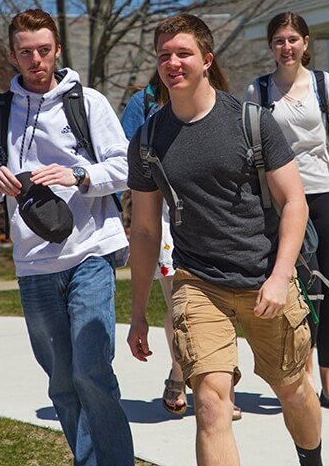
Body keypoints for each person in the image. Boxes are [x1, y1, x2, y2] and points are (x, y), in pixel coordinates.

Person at [126, 14, 323, 466]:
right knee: (212, 405)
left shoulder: (252, 122)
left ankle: (312, 459)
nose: (172, 63)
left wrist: (279, 277)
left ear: (206, 59)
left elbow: (295, 202)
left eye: (183, 53)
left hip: (263, 278)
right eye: (164, 56)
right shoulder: (148, 139)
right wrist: (138, 314)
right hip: (198, 283)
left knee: (293, 391)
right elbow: (143, 230)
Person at [0, 9, 134, 465]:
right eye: (26, 52)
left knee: (92, 371)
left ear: (57, 49)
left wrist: (78, 173)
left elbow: (124, 167)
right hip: (34, 263)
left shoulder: (89, 103)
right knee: (62, 381)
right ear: (14, 55)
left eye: (43, 50)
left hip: (90, 252)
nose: (35, 60)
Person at [247, 11, 329, 413]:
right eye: (278, 40)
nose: (286, 47)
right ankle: (301, 380)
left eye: (292, 39)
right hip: (284, 202)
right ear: (271, 47)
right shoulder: (259, 92)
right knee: (299, 288)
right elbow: (252, 155)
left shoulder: (325, 84)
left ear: (306, 43)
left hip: (325, 193)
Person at [120, 72, 243, 420]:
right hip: (160, 219)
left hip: (207, 215)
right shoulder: (142, 104)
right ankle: (180, 371)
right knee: (180, 300)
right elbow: (126, 161)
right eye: (166, 54)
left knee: (220, 299)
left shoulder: (218, 100)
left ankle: (223, 387)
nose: (174, 62)